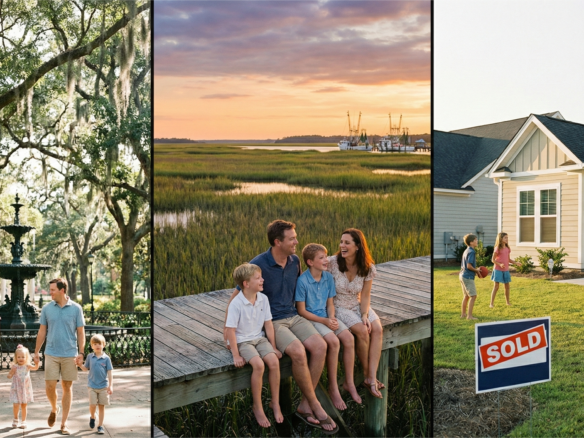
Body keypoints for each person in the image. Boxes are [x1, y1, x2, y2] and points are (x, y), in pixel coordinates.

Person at [223, 220, 337, 434]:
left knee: (321, 346)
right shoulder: (259, 264)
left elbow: (304, 285)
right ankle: (317, 406)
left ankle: (305, 404)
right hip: (273, 321)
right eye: (292, 238)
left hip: (294, 316)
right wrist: (226, 331)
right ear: (277, 242)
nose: (296, 241)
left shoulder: (294, 261)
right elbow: (237, 294)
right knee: (298, 352)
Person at [295, 243, 362, 410]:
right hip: (313, 320)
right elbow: (301, 311)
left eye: (326, 256)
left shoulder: (328, 278)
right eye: (321, 258)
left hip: (326, 317)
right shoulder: (303, 281)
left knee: (347, 338)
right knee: (334, 341)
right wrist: (324, 321)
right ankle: (333, 387)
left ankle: (350, 382)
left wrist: (332, 318)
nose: (326, 260)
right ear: (310, 262)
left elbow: (330, 303)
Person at [328, 228, 385, 399]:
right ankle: (370, 376)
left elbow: (365, 295)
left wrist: (365, 315)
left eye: (347, 243)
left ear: (358, 246)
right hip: (338, 305)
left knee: (377, 329)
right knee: (361, 331)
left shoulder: (367, 268)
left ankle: (371, 375)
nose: (342, 246)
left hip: (356, 304)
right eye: (341, 242)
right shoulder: (332, 263)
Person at [225, 263, 283, 428]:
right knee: (258, 365)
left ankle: (275, 402)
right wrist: (236, 355)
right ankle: (257, 407)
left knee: (273, 361)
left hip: (259, 338)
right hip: (242, 340)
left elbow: (269, 325)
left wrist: (273, 346)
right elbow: (231, 330)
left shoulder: (263, 299)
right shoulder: (236, 303)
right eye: (258, 278)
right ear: (246, 284)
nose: (262, 280)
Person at [34, 278, 85, 435]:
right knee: (49, 386)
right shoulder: (47, 309)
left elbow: (81, 332)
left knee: (67, 387)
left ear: (62, 290)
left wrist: (81, 353)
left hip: (70, 354)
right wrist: (36, 352)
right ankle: (54, 408)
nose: (50, 292)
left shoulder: (76, 308)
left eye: (52, 290)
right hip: (51, 353)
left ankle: (64, 423)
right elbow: (42, 331)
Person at [75, 334, 113, 434]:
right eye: (95, 344)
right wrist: (79, 365)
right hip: (92, 385)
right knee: (92, 405)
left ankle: (100, 425)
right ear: (92, 346)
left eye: (99, 344)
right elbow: (85, 369)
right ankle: (92, 416)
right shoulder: (90, 357)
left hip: (103, 386)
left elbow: (110, 372)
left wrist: (111, 385)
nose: (97, 346)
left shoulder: (106, 358)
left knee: (101, 406)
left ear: (103, 345)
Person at [8, 344, 39, 429]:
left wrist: (37, 363)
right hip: (16, 388)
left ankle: (24, 421)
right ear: (16, 357)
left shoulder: (27, 366)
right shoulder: (15, 366)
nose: (21, 359)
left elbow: (35, 368)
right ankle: (15, 419)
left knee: (24, 405)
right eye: (19, 357)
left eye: (23, 357)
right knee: (16, 404)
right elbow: (9, 376)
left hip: (25, 389)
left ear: (26, 357)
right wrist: (12, 372)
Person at [489, 232, 521, 308]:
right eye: (505, 238)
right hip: (497, 269)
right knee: (496, 286)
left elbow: (508, 259)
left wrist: (515, 263)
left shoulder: (507, 248)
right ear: (501, 239)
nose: (507, 239)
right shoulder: (497, 248)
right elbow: (493, 260)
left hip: (506, 270)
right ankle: (491, 303)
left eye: (507, 237)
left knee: (507, 286)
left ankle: (507, 302)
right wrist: (500, 264)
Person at [460, 233, 483, 320]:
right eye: (475, 240)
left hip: (462, 275)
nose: (477, 241)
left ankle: (463, 314)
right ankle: (469, 316)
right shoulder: (472, 252)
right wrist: (477, 270)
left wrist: (475, 270)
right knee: (473, 296)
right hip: (467, 276)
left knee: (466, 296)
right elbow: (469, 266)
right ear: (471, 242)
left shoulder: (466, 250)